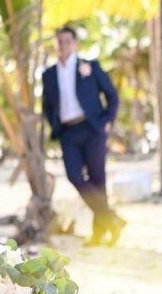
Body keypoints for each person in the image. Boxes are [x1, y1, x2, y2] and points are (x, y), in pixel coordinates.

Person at [41, 26, 126, 247]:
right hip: (68, 132)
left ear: (75, 43)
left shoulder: (90, 67)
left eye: (68, 41)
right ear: (55, 45)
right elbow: (48, 107)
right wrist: (54, 123)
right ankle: (113, 219)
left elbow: (112, 96)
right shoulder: (48, 74)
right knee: (74, 176)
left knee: (99, 181)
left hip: (92, 129)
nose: (63, 45)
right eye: (59, 41)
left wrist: (107, 120)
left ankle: (99, 234)